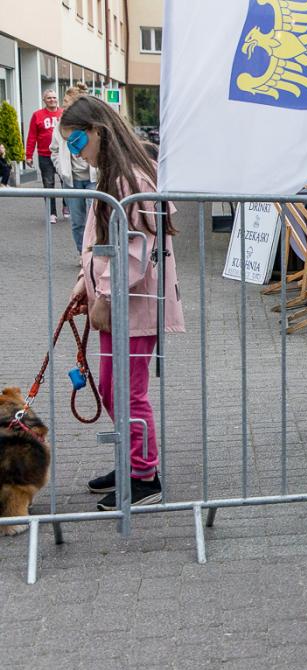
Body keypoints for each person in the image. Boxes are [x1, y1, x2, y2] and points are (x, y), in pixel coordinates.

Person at [62, 95, 184, 509]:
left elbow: (134, 250)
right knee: (114, 389)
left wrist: (104, 294)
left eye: (77, 142)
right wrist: (85, 284)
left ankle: (145, 476)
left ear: (99, 132)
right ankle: (134, 462)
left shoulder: (132, 180)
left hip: (133, 305)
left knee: (126, 392)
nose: (75, 152)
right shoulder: (115, 177)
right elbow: (100, 243)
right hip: (117, 304)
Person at [51, 83, 98, 256]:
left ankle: (94, 253)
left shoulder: (90, 124)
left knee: (94, 219)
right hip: (72, 180)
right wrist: (61, 169)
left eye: (66, 101)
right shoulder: (60, 125)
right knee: (77, 221)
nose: (63, 105)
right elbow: (54, 149)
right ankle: (82, 254)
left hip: (93, 179)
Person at [25, 89, 63, 223]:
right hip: (45, 155)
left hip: (61, 155)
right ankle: (52, 213)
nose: (52, 100)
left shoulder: (64, 114)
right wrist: (29, 155)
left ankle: (67, 206)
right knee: (48, 184)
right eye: (49, 98)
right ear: (44, 100)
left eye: (54, 97)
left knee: (66, 181)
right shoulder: (37, 115)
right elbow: (32, 136)